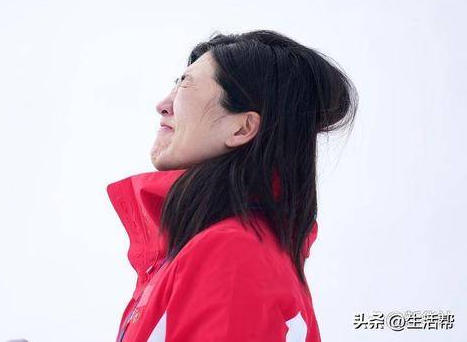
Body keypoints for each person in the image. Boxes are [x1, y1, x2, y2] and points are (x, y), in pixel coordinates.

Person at [107, 30, 358, 342]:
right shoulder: (229, 249)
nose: (163, 105)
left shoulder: (232, 254)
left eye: (186, 85)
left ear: (242, 128)